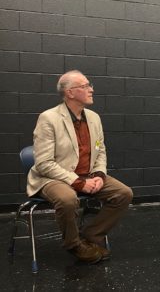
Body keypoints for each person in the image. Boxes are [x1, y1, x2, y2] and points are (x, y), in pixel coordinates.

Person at [27, 70, 133, 264]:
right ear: (70, 92)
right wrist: (77, 182)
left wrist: (100, 175)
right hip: (53, 177)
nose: (91, 89)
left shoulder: (94, 117)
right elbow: (43, 163)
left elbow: (100, 150)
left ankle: (90, 236)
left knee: (123, 193)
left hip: (88, 174)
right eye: (84, 86)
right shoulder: (49, 118)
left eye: (89, 85)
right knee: (68, 199)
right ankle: (74, 244)